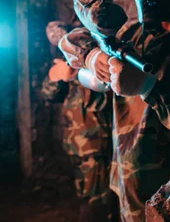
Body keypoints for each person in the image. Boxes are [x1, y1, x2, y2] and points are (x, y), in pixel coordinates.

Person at [58, 0, 170, 222]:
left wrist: (148, 88)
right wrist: (93, 59)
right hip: (124, 173)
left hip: (168, 184)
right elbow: (70, 42)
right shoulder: (130, 35)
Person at [41, 21, 115, 222]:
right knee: (91, 199)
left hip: (97, 142)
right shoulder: (63, 63)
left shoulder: (95, 61)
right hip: (80, 144)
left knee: (97, 201)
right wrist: (56, 77)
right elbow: (48, 95)